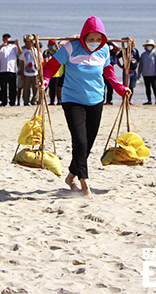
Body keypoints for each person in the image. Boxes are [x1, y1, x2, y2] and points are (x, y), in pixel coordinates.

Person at [42, 16, 130, 199]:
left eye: (98, 39)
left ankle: (70, 177)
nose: (94, 43)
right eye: (90, 39)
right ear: (83, 36)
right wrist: (45, 79)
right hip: (72, 100)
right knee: (80, 141)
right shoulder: (70, 47)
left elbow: (108, 71)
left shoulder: (104, 50)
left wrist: (121, 89)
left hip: (96, 100)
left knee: (88, 143)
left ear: (103, 39)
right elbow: (51, 66)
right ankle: (84, 184)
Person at [0, 33, 21, 107]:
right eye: (5, 38)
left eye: (8, 38)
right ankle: (3, 102)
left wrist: (17, 44)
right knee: (3, 87)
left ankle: (12, 102)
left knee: (12, 87)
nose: (7, 39)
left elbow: (20, 52)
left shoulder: (14, 47)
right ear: (3, 39)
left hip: (12, 70)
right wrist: (3, 45)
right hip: (3, 70)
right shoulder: (1, 47)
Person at [138, 39, 156, 105]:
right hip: (145, 74)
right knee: (147, 88)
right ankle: (149, 100)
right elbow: (140, 65)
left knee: (155, 87)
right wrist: (139, 73)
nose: (149, 46)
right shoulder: (143, 55)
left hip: (153, 74)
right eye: (148, 45)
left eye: (150, 45)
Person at [21, 35, 39, 106]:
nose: (28, 44)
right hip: (26, 72)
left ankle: (34, 101)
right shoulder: (24, 51)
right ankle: (26, 101)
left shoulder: (36, 51)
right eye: (27, 42)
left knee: (35, 88)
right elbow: (22, 63)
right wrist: (22, 73)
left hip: (35, 72)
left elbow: (39, 62)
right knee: (26, 88)